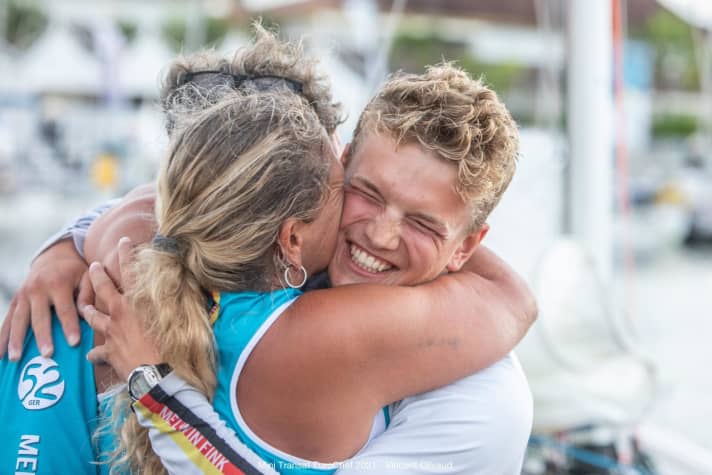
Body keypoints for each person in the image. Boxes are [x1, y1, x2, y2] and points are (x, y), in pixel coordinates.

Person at [2, 30, 535, 475]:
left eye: (419, 222)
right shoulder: (322, 337)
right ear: (291, 236)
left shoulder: (152, 248)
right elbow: (513, 299)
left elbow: (148, 208)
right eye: (360, 192)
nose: (381, 235)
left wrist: (63, 246)